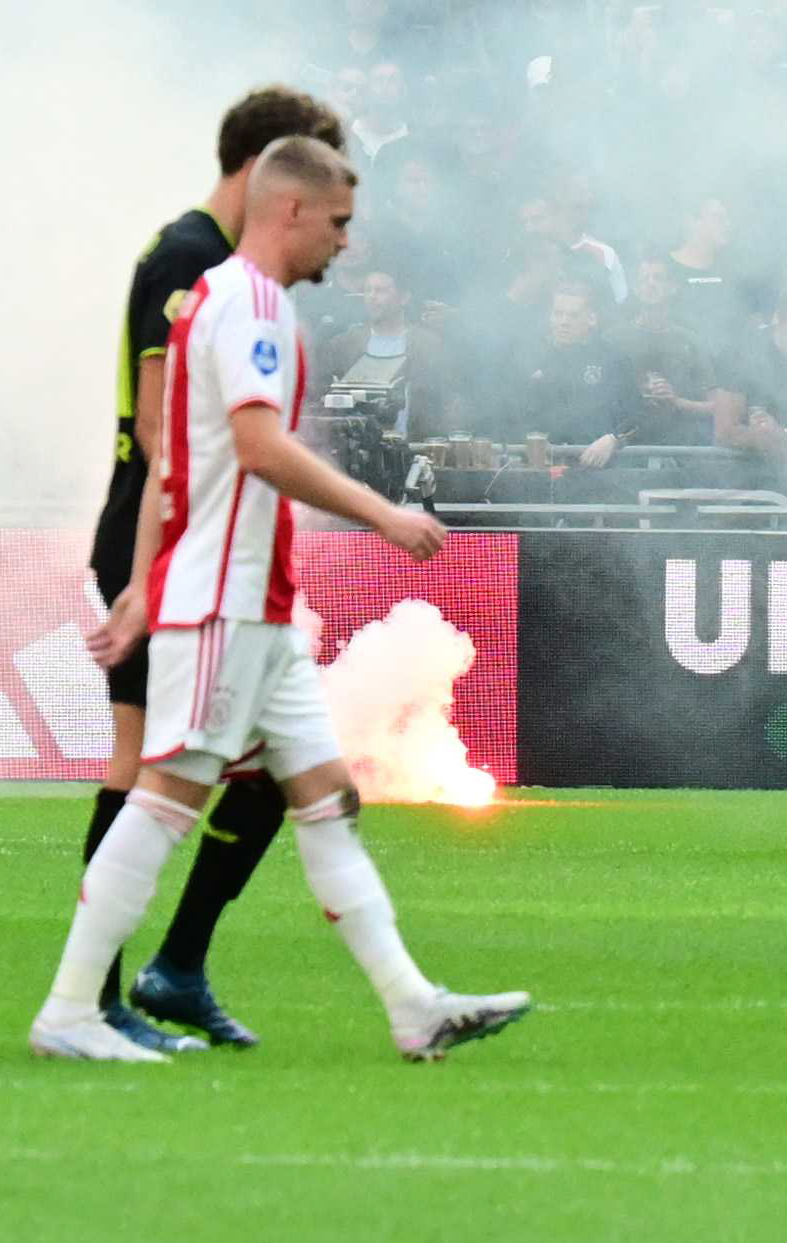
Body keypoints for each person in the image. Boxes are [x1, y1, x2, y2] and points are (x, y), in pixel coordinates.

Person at [30, 130, 527, 1072]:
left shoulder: (212, 300)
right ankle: (67, 1009)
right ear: (289, 209)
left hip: (243, 600)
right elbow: (254, 447)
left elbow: (171, 457)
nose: (346, 243)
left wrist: (141, 582)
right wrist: (383, 511)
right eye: (338, 222)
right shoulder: (250, 306)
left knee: (326, 798)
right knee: (166, 799)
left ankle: (412, 1005)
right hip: (226, 599)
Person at [84, 84, 347, 1056]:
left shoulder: (230, 271)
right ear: (268, 173)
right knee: (146, 764)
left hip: (207, 540)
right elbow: (160, 428)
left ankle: (170, 967)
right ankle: (100, 995)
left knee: (279, 767)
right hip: (167, 534)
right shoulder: (188, 259)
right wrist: (154, 569)